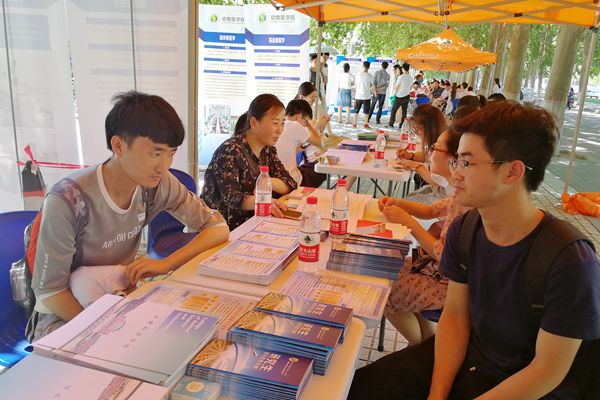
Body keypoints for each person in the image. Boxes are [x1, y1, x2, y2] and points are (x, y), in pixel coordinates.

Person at [349, 101, 600, 400]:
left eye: (467, 163)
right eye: (456, 161)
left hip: (531, 387)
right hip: (473, 359)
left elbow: (546, 372)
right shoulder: (466, 229)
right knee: (357, 389)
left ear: (512, 172)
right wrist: (437, 394)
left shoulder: (570, 260)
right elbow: (456, 317)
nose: (455, 174)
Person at [28, 91, 229, 341]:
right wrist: (102, 328)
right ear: (119, 146)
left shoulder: (158, 184)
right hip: (66, 316)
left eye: (171, 153)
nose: (164, 165)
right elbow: (51, 292)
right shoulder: (69, 200)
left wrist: (166, 264)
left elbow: (217, 227)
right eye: (155, 153)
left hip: (118, 299)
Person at [378, 128, 469, 346]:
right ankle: (428, 343)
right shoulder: (460, 192)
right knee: (386, 268)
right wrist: (398, 203)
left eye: (435, 147)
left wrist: (409, 223)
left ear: (455, 158)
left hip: (448, 285)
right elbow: (430, 211)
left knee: (382, 291)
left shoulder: (469, 201)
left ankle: (419, 348)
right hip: (433, 269)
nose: (429, 151)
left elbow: (445, 256)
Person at [201, 94, 297, 230]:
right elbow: (231, 197)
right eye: (275, 123)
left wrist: (266, 182)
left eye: (282, 123)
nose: (280, 130)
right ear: (254, 123)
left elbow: (290, 183)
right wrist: (263, 201)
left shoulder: (268, 150)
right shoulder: (230, 150)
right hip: (221, 227)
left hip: (255, 222)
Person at [397, 104, 447, 191]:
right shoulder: (435, 141)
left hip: (438, 193)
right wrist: (411, 155)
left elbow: (438, 182)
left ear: (430, 128)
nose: (417, 133)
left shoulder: (442, 148)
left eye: (417, 129)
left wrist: (416, 166)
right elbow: (426, 155)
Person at [275, 99, 325, 188]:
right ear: (299, 116)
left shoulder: (278, 126)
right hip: (292, 180)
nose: (305, 125)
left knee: (307, 166)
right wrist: (309, 125)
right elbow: (319, 142)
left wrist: (296, 150)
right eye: (306, 120)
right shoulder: (295, 125)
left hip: (277, 177)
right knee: (322, 166)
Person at [389, 62, 412, 129]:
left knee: (393, 110)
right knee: (404, 112)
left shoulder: (401, 77)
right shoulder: (410, 78)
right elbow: (410, 87)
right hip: (407, 96)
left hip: (399, 96)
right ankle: (401, 125)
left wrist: (394, 92)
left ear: (402, 69)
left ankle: (391, 123)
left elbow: (396, 86)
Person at [353, 61, 374, 128]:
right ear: (369, 67)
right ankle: (365, 124)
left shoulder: (358, 75)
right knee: (366, 112)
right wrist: (374, 92)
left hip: (358, 96)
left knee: (356, 111)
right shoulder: (370, 76)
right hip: (367, 96)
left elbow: (356, 84)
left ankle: (354, 124)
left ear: (363, 66)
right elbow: (372, 85)